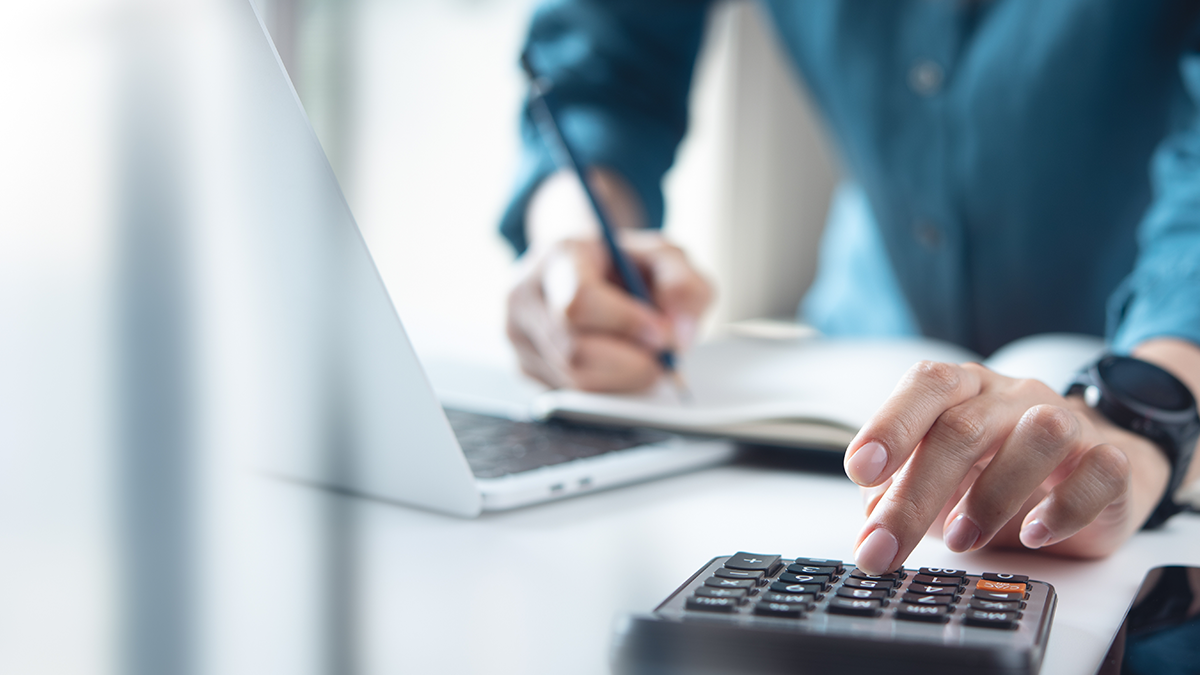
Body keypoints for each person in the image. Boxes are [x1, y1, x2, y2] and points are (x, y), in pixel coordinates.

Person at [499, 0, 1200, 574]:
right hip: (857, 364)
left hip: (1149, 374)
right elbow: (605, 61)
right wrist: (576, 240)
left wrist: (1147, 413)